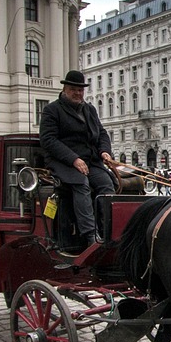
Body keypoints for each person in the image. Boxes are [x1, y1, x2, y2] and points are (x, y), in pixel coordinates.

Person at [40, 70, 114, 252]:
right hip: (62, 162)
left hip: (90, 161)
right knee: (81, 183)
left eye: (80, 90)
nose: (78, 93)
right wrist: (73, 159)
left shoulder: (89, 110)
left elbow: (102, 133)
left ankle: (108, 230)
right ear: (65, 89)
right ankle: (90, 235)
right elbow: (48, 140)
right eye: (73, 89)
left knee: (107, 184)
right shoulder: (52, 110)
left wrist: (104, 151)